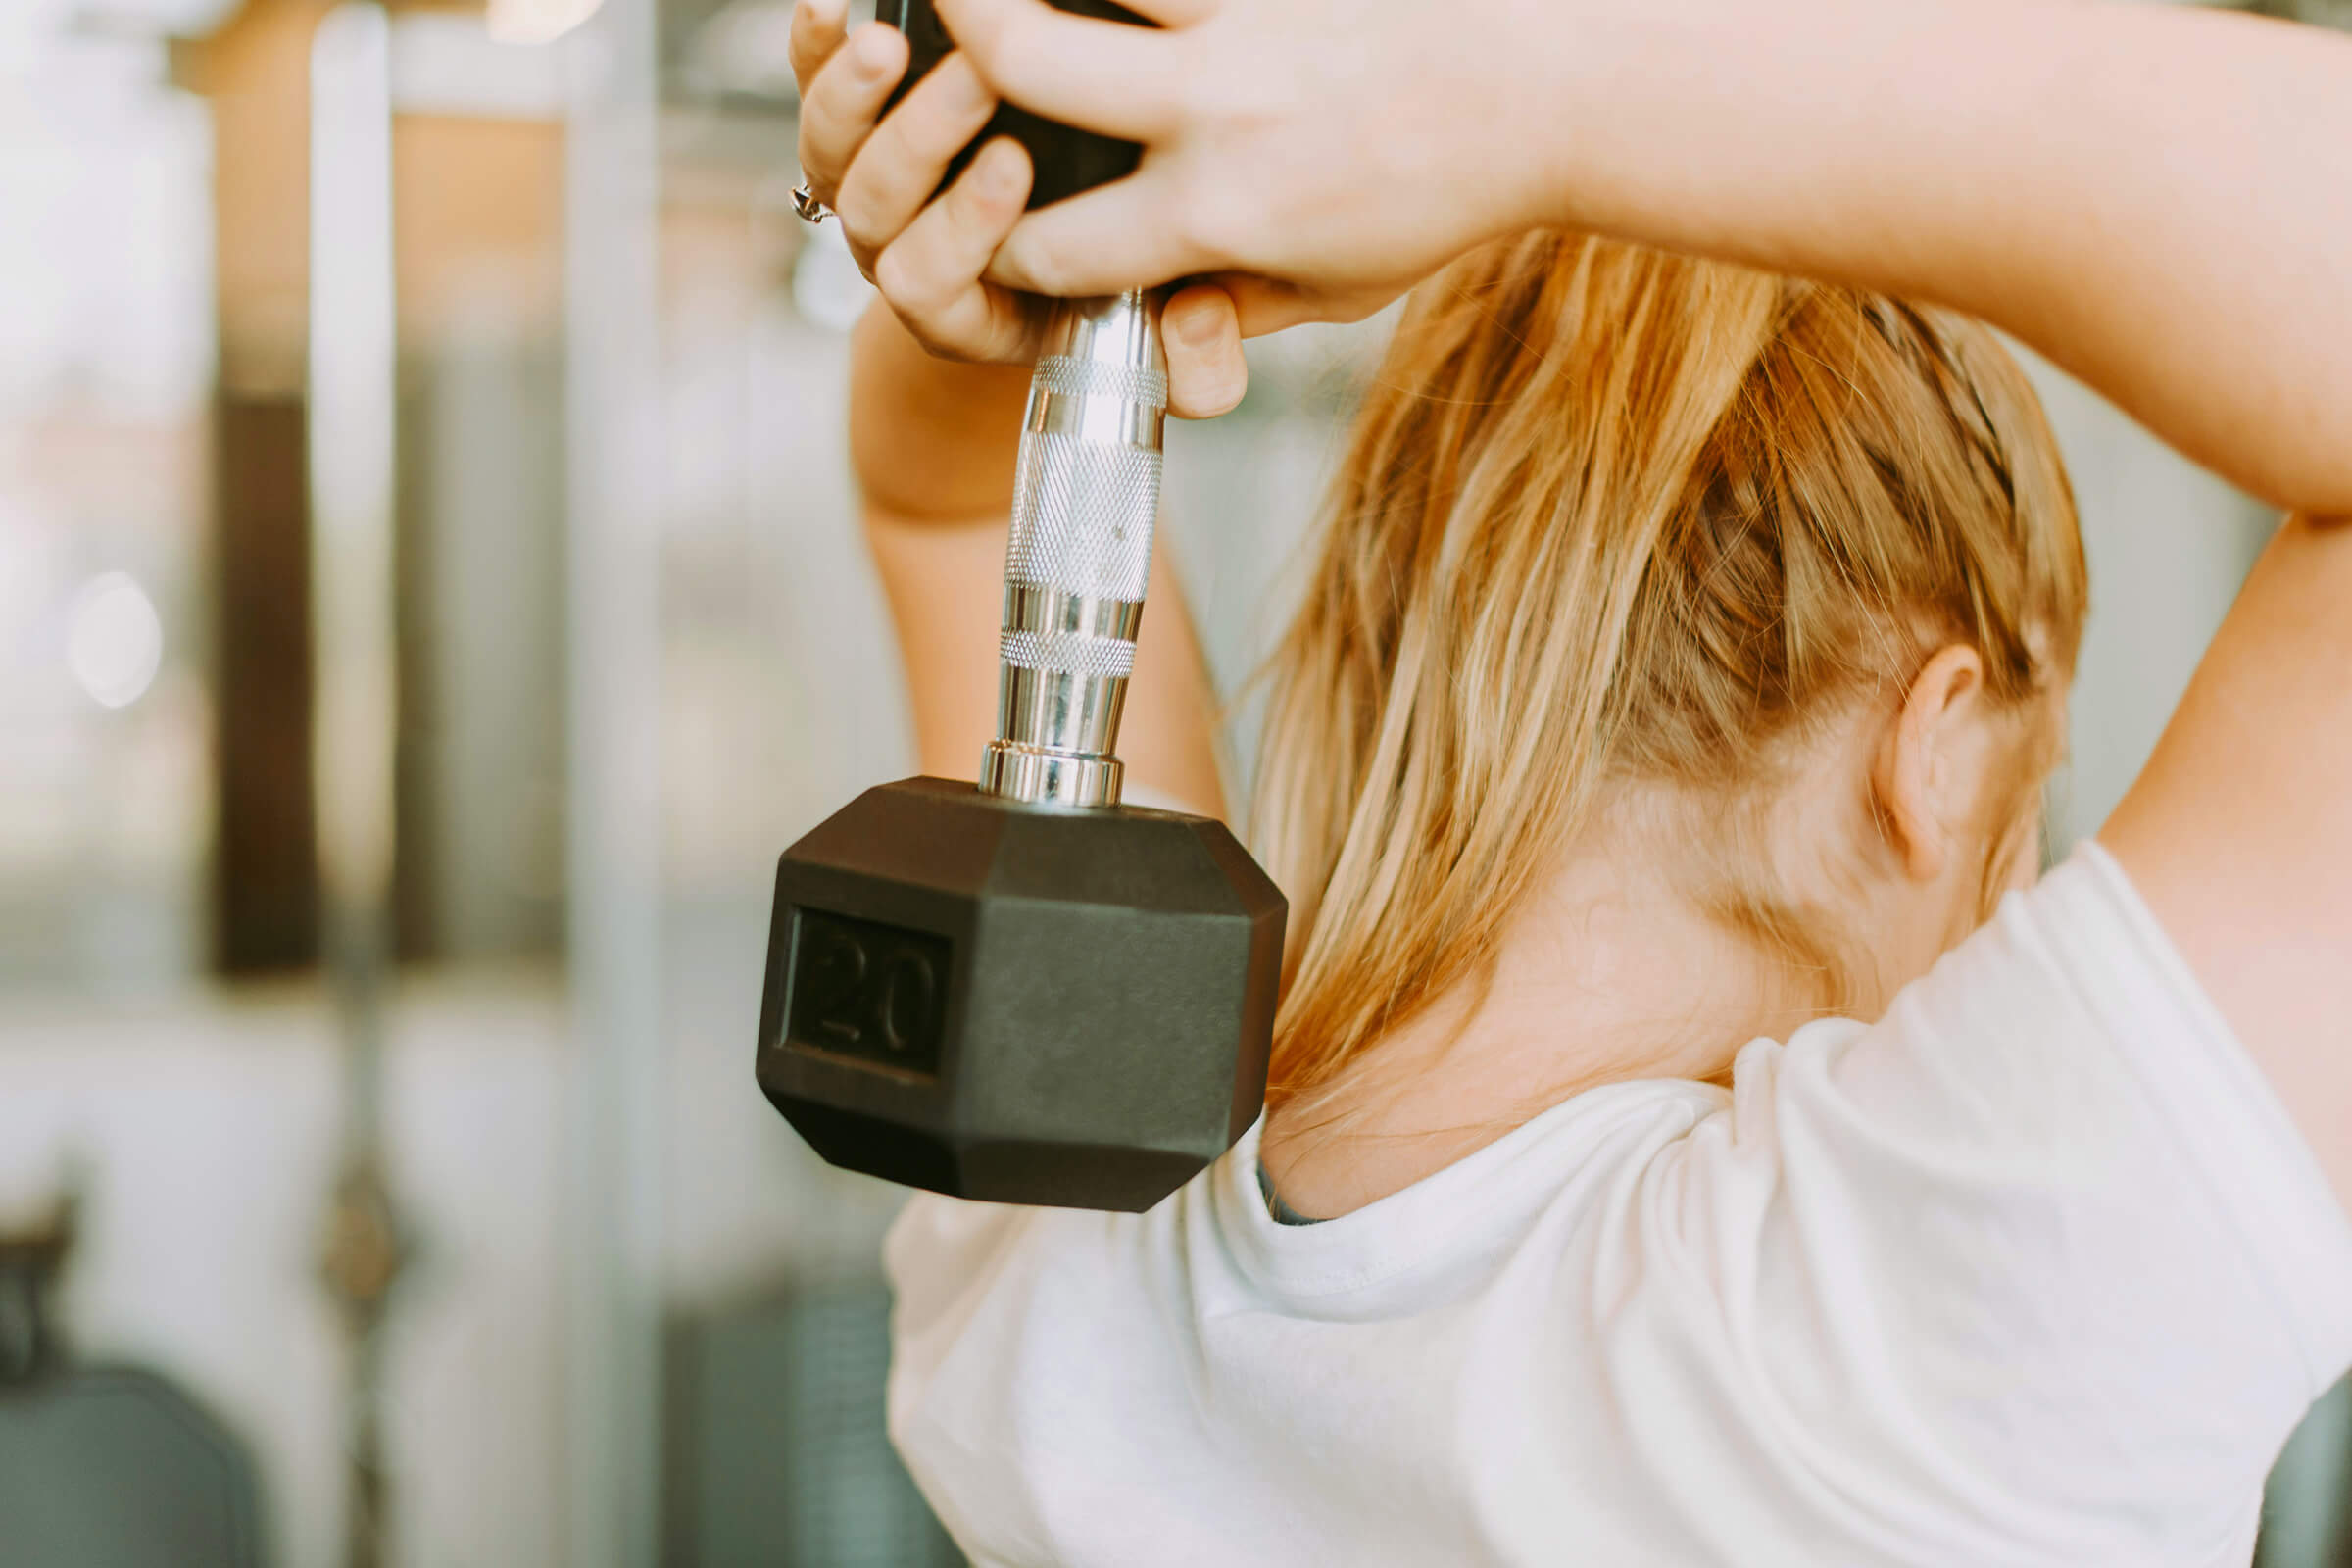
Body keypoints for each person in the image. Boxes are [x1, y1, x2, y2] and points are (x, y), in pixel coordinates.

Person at [788, 0, 2352, 1559]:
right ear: (1929, 748)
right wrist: (1498, 87)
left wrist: (1019, 215)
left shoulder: (1064, 1224)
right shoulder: (1896, 1366)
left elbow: (943, 493)